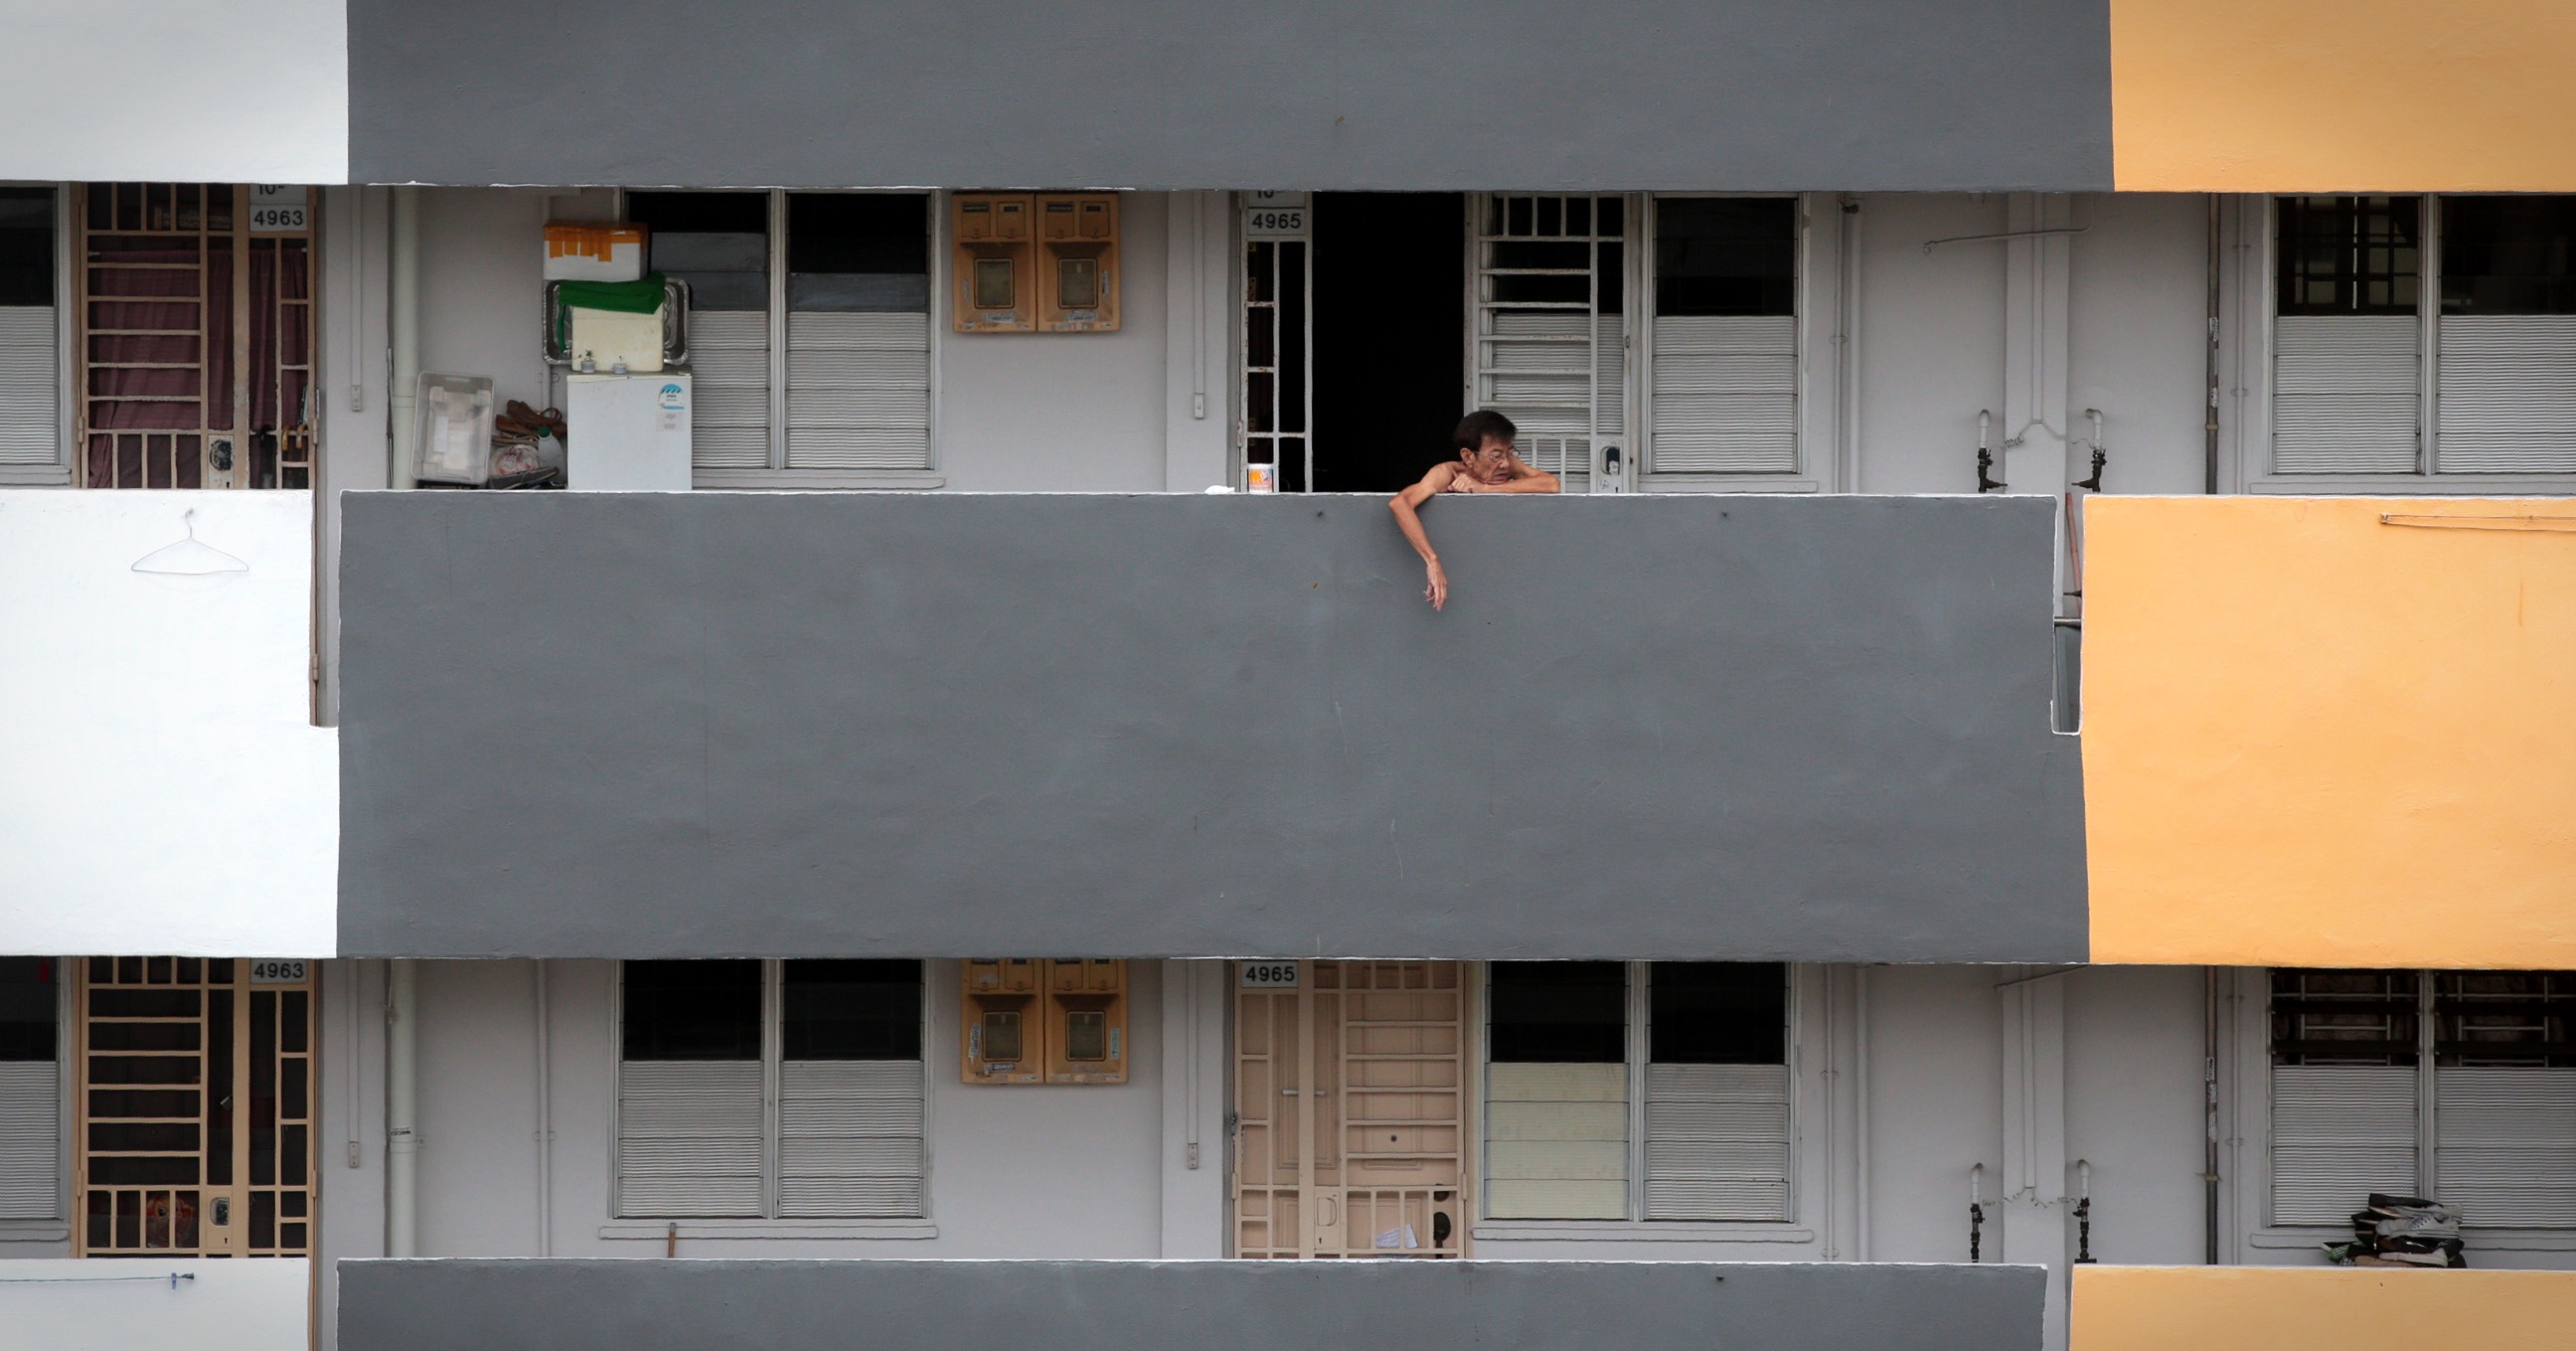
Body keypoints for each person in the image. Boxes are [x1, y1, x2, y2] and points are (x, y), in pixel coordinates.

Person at [1386, 410, 1559, 609]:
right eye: (1495, 456)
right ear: (1468, 456)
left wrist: (1486, 489)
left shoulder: (1506, 463)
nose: (1504, 463)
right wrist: (1432, 561)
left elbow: (1551, 484)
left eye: (1509, 453)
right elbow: (1400, 503)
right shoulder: (1447, 473)